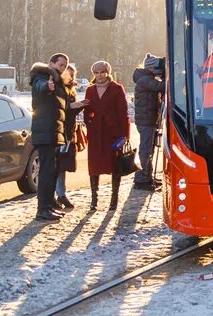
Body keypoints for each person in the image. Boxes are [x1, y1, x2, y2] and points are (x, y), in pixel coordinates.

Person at [84, 60, 131, 212]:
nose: (99, 75)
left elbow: (123, 113)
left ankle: (114, 199)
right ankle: (94, 199)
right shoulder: (90, 90)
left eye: (102, 72)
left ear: (107, 72)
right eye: (96, 73)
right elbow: (87, 110)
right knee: (94, 165)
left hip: (113, 132)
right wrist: (89, 122)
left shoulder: (116, 88)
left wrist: (124, 135)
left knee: (114, 165)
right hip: (96, 133)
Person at [30, 53, 70, 222]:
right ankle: (43, 209)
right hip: (45, 132)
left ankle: (49, 204)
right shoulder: (43, 76)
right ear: (51, 63)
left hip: (53, 131)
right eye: (60, 65)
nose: (62, 68)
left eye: (64, 66)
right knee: (46, 171)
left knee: (52, 170)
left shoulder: (57, 80)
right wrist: (47, 86)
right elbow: (40, 87)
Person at [55, 64, 88, 209]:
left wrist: (79, 106)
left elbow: (70, 113)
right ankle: (58, 195)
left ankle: (61, 194)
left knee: (63, 165)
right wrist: (76, 106)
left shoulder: (71, 90)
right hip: (59, 132)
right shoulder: (58, 89)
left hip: (69, 132)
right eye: (69, 74)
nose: (72, 78)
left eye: (73, 75)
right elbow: (62, 111)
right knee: (57, 165)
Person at [131, 54, 165, 190]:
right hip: (146, 120)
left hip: (147, 119)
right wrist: (167, 76)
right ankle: (142, 178)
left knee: (148, 148)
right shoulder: (145, 80)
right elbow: (162, 87)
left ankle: (147, 175)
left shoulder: (145, 78)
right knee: (145, 149)